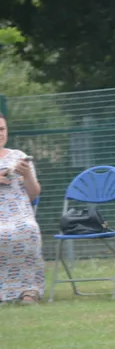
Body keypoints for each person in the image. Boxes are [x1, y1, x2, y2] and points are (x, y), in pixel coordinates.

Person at [0, 113, 44, 305]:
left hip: (19, 211)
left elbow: (33, 194)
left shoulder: (19, 156)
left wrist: (27, 175)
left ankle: (29, 289)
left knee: (29, 230)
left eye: (2, 129)